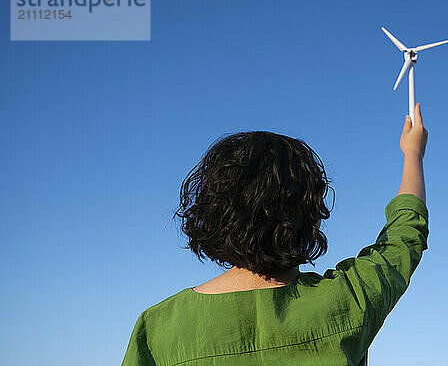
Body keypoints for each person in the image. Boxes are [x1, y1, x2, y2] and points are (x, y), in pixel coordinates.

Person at [121, 104, 429, 366]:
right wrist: (412, 155)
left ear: (213, 210)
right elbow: (404, 236)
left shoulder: (157, 328)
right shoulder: (350, 299)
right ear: (310, 211)